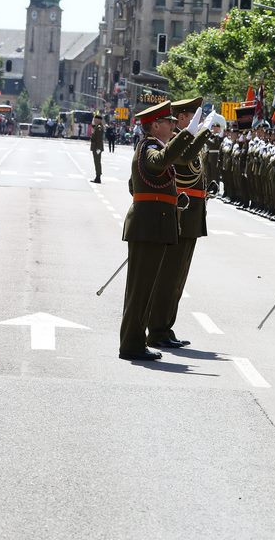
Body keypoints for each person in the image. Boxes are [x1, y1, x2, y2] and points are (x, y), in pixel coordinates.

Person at [119, 100, 198, 362]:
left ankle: (135, 341)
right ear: (155, 125)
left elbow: (179, 158)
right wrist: (187, 133)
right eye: (169, 122)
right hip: (148, 225)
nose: (173, 126)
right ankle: (131, 344)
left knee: (145, 289)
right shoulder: (149, 147)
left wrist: (199, 134)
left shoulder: (154, 147)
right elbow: (161, 161)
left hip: (154, 224)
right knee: (140, 289)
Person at [146, 99, 218, 349]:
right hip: (180, 217)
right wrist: (201, 133)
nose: (193, 122)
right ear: (183, 119)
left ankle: (166, 327)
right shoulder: (176, 145)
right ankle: (156, 329)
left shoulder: (189, 145)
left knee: (178, 278)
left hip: (192, 217)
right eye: (191, 117)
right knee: (168, 276)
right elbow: (185, 160)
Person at [89, 113, 104, 184]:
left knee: (97, 162)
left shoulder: (99, 128)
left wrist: (98, 149)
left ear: (99, 120)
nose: (94, 120)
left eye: (95, 119)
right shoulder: (96, 127)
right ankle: (97, 177)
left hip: (97, 148)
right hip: (96, 147)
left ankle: (98, 177)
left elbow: (98, 139)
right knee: (96, 162)